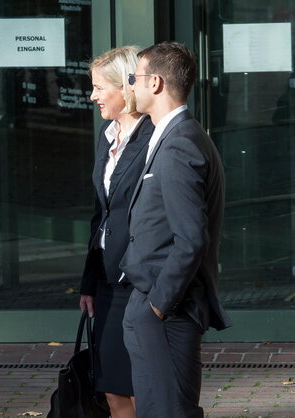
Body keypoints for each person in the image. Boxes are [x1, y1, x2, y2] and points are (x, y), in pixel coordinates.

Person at [120, 41, 232, 417]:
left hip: (169, 309)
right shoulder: (170, 135)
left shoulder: (181, 143)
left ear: (154, 83)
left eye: (134, 78)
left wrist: (157, 305)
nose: (130, 86)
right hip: (156, 304)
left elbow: (191, 239)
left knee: (168, 411)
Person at [79, 46, 154, 418]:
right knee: (111, 389)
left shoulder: (154, 137)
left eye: (98, 88)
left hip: (140, 282)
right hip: (108, 281)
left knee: (143, 390)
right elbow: (100, 213)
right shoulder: (107, 136)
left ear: (127, 87)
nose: (92, 96)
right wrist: (89, 281)